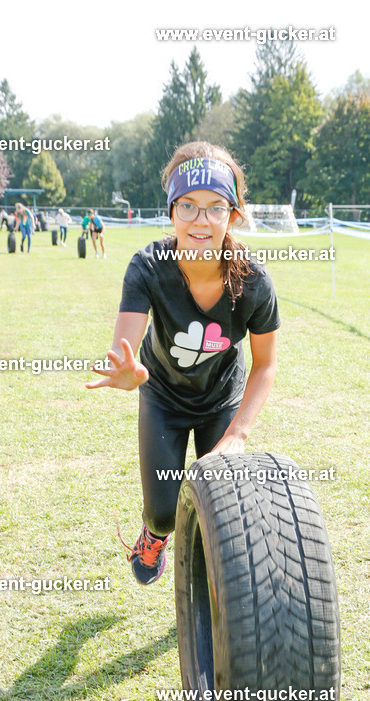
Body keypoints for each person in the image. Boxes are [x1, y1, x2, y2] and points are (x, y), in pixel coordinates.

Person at [86, 140, 280, 585]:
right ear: (171, 210)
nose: (200, 220)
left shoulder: (253, 280)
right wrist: (128, 372)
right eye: (188, 206)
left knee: (224, 504)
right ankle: (152, 536)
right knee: (162, 512)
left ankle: (219, 595)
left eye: (215, 207)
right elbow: (126, 346)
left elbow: (265, 364)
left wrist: (239, 434)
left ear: (233, 214)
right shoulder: (148, 266)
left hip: (220, 402)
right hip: (163, 398)